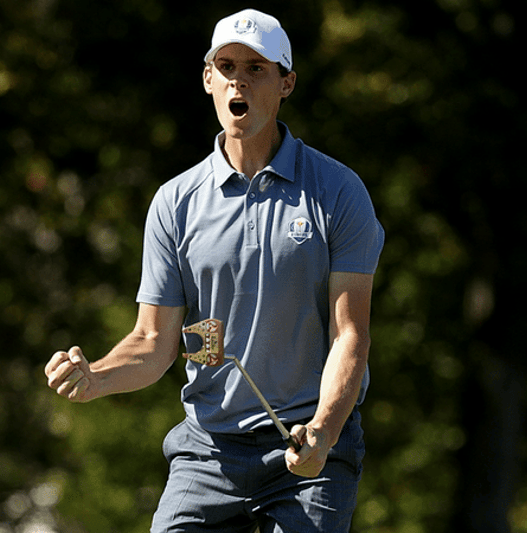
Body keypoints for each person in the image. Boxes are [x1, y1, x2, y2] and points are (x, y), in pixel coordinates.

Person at [44, 8, 384, 532]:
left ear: (286, 83)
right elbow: (153, 341)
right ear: (208, 80)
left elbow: (350, 336)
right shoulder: (175, 202)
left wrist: (323, 431)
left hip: (308, 450)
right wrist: (96, 378)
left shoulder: (338, 193)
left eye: (256, 68)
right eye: (226, 67)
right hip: (207, 453)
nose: (238, 80)